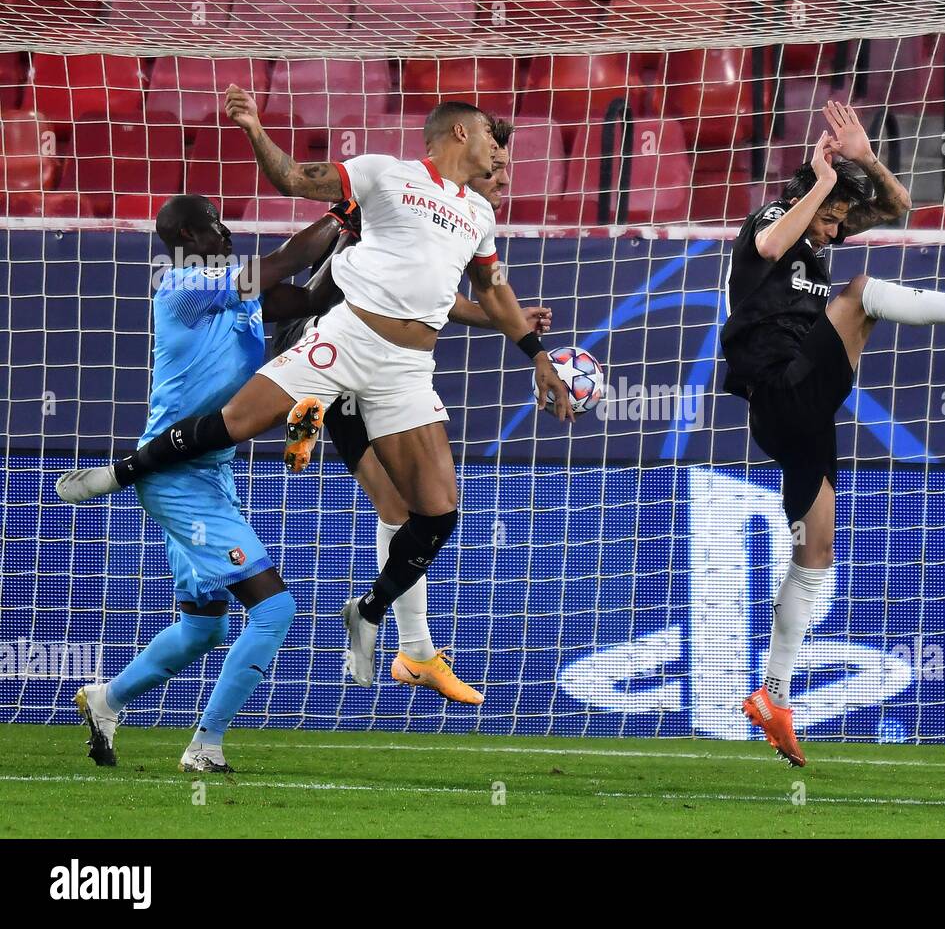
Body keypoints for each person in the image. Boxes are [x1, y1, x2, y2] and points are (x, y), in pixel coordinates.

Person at [56, 93, 574, 697]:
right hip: (342, 339)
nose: (500, 151)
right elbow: (293, 181)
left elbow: (490, 291)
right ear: (460, 133)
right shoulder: (386, 174)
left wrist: (535, 355)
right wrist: (254, 127)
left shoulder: (478, 218)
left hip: (406, 368)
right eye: (492, 136)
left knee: (437, 514)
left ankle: (371, 613)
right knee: (237, 424)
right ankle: (128, 470)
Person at [723, 101, 945, 766]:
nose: (836, 225)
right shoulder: (770, 221)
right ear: (805, 198)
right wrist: (819, 177)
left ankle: (774, 693)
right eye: (829, 214)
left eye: (841, 218)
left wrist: (867, 159)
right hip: (781, 383)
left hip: (804, 411)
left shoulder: (818, 239)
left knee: (816, 553)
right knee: (864, 292)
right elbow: (767, 245)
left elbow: (897, 208)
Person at [267, 116, 546, 700]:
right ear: (471, 150)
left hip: (380, 360)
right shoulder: (395, 189)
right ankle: (310, 404)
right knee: (398, 502)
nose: (504, 180)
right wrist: (249, 284)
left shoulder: (461, 220)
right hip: (326, 333)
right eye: (498, 167)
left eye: (507, 171)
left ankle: (414, 651)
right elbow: (314, 232)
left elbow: (443, 303)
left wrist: (512, 325)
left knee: (403, 505)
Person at [75, 193, 353, 772]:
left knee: (203, 625)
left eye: (224, 225)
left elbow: (311, 295)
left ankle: (106, 701)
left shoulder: (237, 294)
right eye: (211, 228)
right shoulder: (184, 285)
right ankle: (205, 746)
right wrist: (340, 213)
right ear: (184, 240)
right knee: (275, 609)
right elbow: (280, 264)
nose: (223, 233)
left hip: (210, 471)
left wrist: (357, 243)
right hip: (176, 475)